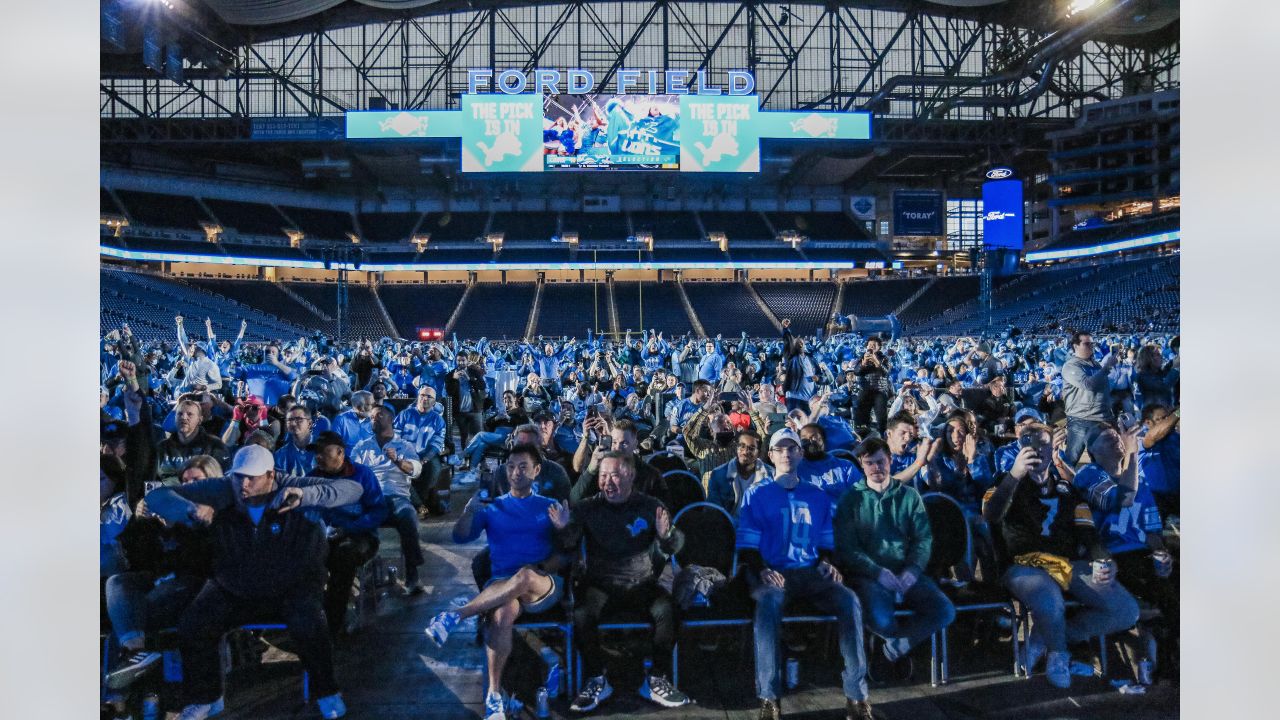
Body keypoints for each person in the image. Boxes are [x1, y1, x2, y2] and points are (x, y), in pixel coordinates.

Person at [142, 445, 363, 719]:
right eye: (238, 476)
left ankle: (325, 690)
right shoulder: (222, 488)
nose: (243, 484)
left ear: (270, 475)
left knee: (310, 622)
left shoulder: (290, 485)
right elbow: (156, 496)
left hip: (291, 584)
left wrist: (307, 495)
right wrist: (191, 507)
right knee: (194, 623)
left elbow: (353, 490)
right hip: (235, 584)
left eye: (252, 478)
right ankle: (205, 697)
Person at [982, 422, 1140, 689]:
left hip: (1066, 564)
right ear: (1020, 447)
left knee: (1126, 610)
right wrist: (1015, 475)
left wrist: (1104, 559)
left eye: (1044, 443)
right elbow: (991, 514)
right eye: (1030, 443)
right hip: (1022, 565)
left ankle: (1046, 637)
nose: (1038, 450)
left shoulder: (1066, 489)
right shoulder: (1004, 481)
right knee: (1048, 595)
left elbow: (1087, 531)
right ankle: (1058, 655)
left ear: (1053, 447)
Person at [425, 444, 571, 720]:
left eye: (523, 466)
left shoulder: (548, 505)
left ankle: (456, 615)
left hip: (542, 585)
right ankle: (494, 695)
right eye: (511, 466)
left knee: (526, 574)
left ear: (536, 471)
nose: (515, 472)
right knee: (502, 616)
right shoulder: (492, 507)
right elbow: (461, 537)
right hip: (503, 585)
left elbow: (567, 553)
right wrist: (469, 511)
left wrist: (564, 529)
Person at [736, 429, 873, 720]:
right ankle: (769, 698)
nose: (786, 454)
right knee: (769, 603)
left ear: (799, 454)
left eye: (791, 449)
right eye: (780, 449)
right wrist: (762, 569)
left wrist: (826, 562)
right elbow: (747, 546)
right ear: (770, 456)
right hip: (772, 570)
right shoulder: (756, 495)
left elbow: (825, 542)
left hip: (808, 571)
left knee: (849, 600)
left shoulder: (818, 496)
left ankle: (857, 696)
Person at [557, 451, 691, 712]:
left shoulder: (650, 505)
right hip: (600, 584)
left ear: (630, 476)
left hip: (641, 582)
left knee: (668, 609)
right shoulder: (587, 507)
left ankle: (656, 679)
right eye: (603, 476)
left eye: (615, 475)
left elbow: (678, 543)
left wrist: (665, 537)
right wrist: (563, 528)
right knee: (582, 612)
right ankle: (596, 679)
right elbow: (568, 544)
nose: (608, 482)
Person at [835, 438, 955, 675]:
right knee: (882, 620)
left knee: (944, 610)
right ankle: (892, 649)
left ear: (890, 460)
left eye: (881, 461)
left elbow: (923, 539)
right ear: (861, 465)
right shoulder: (851, 499)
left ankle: (890, 650)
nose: (876, 468)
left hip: (905, 571)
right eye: (869, 463)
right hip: (868, 575)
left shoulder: (909, 496)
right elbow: (847, 548)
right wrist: (877, 572)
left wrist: (914, 569)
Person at [105, 456, 220, 690]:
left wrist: (178, 528)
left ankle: (127, 689)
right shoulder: (173, 509)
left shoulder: (217, 513)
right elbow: (142, 560)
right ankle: (134, 653)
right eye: (184, 481)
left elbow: (200, 561)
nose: (188, 486)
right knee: (117, 583)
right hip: (162, 579)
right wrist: (145, 524)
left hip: (197, 585)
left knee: (137, 608)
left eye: (196, 480)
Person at [309, 431, 388, 637]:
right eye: (316, 453)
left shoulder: (362, 475)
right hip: (323, 535)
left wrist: (349, 528)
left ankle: (332, 624)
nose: (318, 457)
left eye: (323, 452)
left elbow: (378, 511)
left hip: (360, 535)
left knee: (342, 558)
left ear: (340, 452)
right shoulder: (312, 478)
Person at [350, 406, 426, 594]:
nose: (374, 419)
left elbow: (416, 470)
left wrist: (398, 461)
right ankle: (361, 572)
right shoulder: (362, 447)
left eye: (379, 415)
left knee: (408, 516)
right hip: (371, 498)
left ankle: (412, 574)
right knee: (350, 521)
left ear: (391, 419)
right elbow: (352, 473)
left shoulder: (404, 446)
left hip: (397, 498)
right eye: (372, 417)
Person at [570, 419, 670, 506]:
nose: (617, 448)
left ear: (635, 444)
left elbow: (661, 511)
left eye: (624, 443)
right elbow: (574, 501)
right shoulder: (599, 471)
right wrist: (591, 470)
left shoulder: (649, 475)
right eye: (614, 442)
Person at [1060, 331, 1118, 466]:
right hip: (1081, 419)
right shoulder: (1071, 366)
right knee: (1070, 460)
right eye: (1087, 344)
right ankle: (1061, 485)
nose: (1091, 347)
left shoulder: (1096, 365)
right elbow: (1088, 384)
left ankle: (1098, 486)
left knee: (1102, 460)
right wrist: (1107, 367)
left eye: (1092, 344)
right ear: (1075, 346)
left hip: (1102, 419)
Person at [395, 385, 449, 514]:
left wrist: (425, 458)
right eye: (422, 395)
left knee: (434, 470)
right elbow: (395, 436)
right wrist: (401, 454)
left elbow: (437, 442)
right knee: (400, 471)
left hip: (426, 454)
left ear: (434, 402)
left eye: (428, 396)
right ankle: (420, 505)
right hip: (404, 453)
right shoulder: (405, 414)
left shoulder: (438, 420)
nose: (424, 398)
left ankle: (418, 501)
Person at [157, 398, 229, 483]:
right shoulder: (162, 447)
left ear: (200, 419)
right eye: (180, 414)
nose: (184, 417)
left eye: (189, 414)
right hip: (168, 494)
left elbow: (221, 480)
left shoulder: (215, 446)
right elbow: (153, 479)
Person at [704, 429, 773, 517]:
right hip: (729, 527)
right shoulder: (718, 475)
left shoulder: (771, 475)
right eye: (742, 446)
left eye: (751, 448)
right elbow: (713, 513)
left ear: (759, 453)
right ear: (736, 448)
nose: (745, 452)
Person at [796, 423, 863, 508]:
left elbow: (859, 497)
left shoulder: (846, 467)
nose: (810, 442)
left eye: (814, 437)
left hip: (840, 517)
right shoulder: (795, 469)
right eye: (804, 439)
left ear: (823, 439)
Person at [447, 353, 489, 452]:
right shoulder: (450, 375)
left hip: (475, 409)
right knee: (464, 436)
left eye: (463, 360)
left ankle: (482, 461)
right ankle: (466, 461)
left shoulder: (474, 372)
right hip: (460, 411)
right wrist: (454, 380)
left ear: (467, 361)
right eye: (458, 360)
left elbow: (482, 386)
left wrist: (469, 379)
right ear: (456, 361)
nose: (461, 362)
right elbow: (449, 392)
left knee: (479, 435)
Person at [855, 337, 892, 433]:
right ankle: (863, 436)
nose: (871, 347)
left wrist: (876, 361)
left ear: (879, 347)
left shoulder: (884, 358)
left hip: (880, 391)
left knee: (881, 417)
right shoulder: (862, 357)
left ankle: (882, 436)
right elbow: (856, 372)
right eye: (870, 345)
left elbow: (886, 372)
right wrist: (863, 363)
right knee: (862, 416)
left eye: (874, 345)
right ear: (867, 346)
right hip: (865, 390)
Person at [275, 404, 317, 478]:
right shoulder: (280, 455)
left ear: (309, 423)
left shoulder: (323, 449)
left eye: (299, 419)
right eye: (290, 420)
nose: (293, 423)